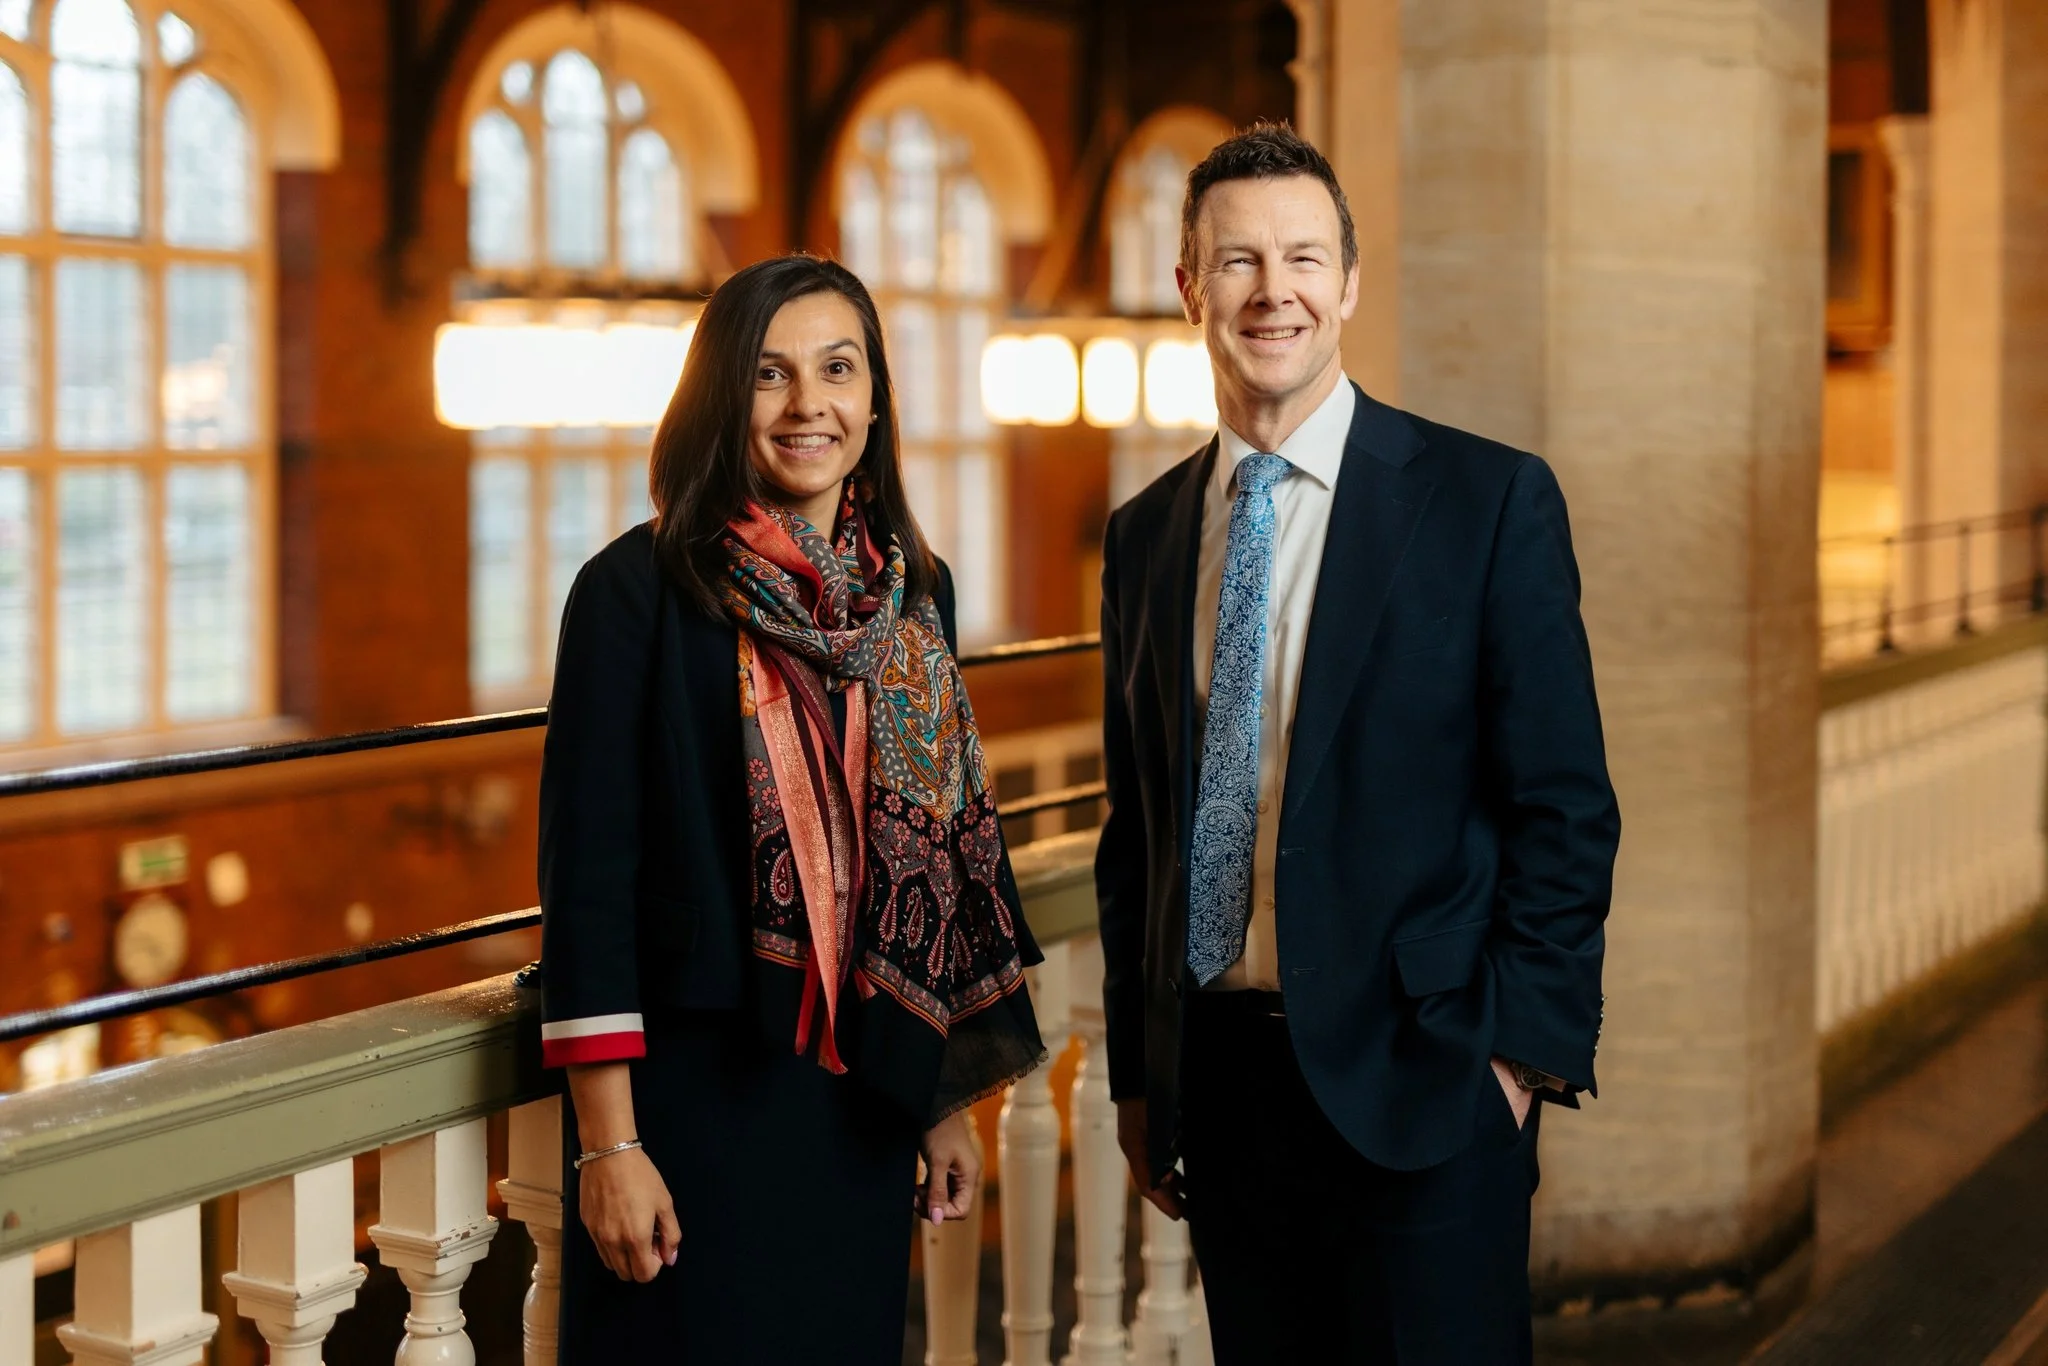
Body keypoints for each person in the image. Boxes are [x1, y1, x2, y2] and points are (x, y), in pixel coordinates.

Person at [1094, 122, 1621, 1364]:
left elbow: (1562, 805)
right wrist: (1139, 1076)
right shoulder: (1145, 534)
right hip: (1225, 1094)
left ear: (1347, 284)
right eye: (1236, 261)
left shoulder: (1483, 499)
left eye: (1302, 258)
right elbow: (1139, 831)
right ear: (1188, 288)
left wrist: (1516, 1062)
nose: (1270, 291)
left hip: (1428, 1084)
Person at [538, 253, 1045, 1363]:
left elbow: (928, 863)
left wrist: (937, 1098)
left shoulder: (916, 595)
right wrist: (609, 1146)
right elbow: (588, 885)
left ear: (875, 400)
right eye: (770, 373)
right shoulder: (634, 592)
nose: (807, 403)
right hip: (689, 1105)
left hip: (859, 1102)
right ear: (721, 395)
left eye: (837, 369)